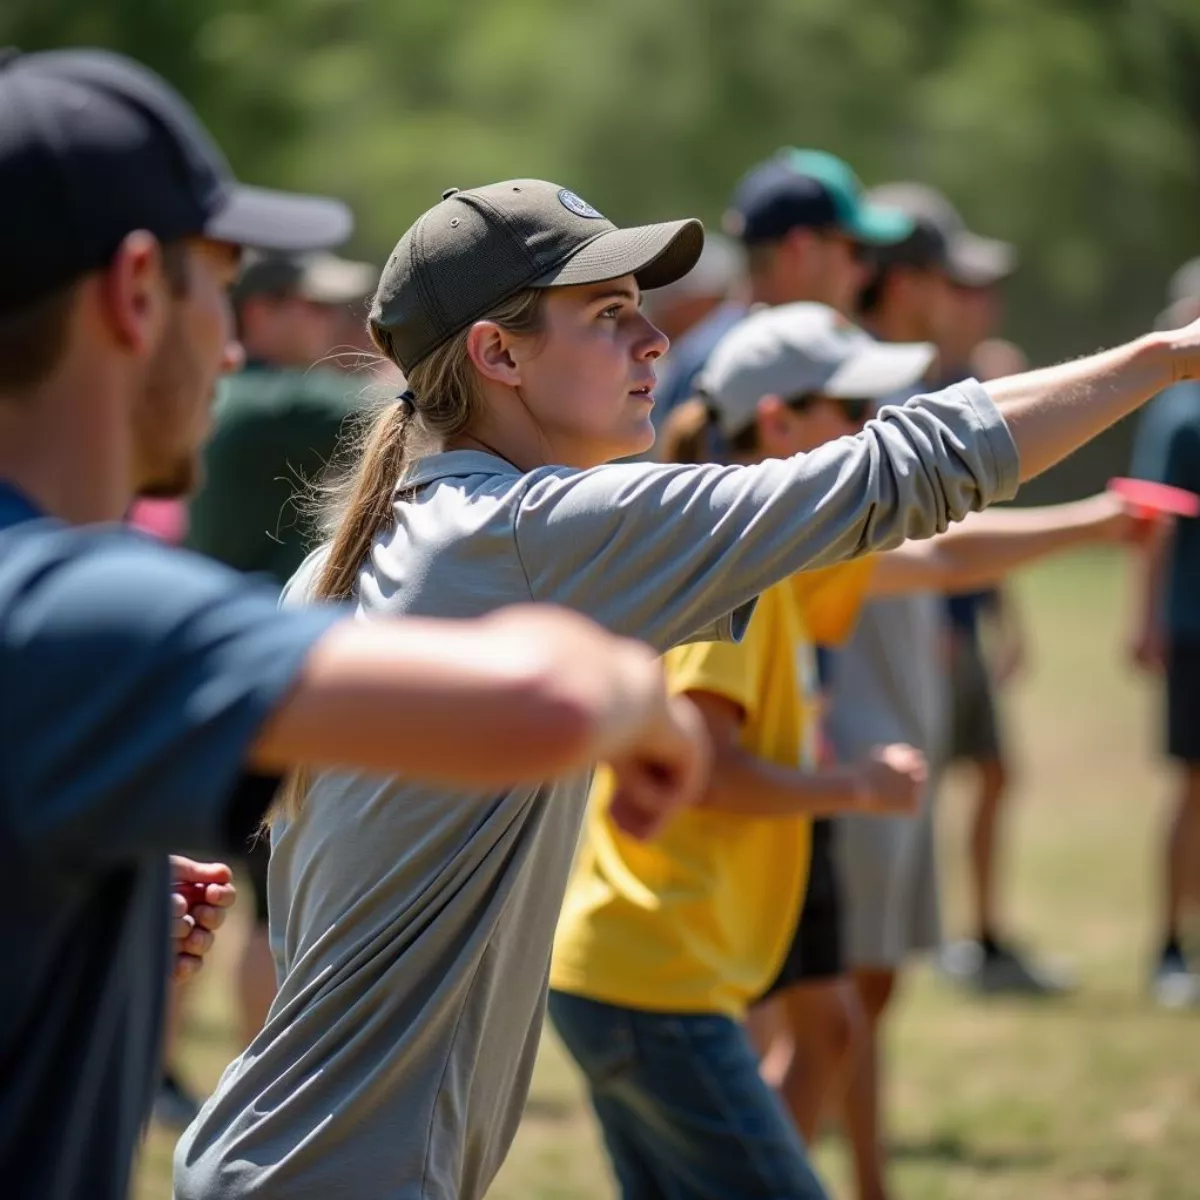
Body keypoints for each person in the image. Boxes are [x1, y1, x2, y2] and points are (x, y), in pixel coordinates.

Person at [176, 170, 1200, 1200]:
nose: (655, 342)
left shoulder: (367, 551)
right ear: (497, 354)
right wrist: (1167, 358)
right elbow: (901, 469)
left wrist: (643, 727)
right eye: (610, 316)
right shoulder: (527, 534)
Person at [0, 50, 709, 1200]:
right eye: (215, 288)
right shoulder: (68, 611)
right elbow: (544, 705)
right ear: (137, 291)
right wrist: (635, 702)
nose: (228, 348)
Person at [547, 301, 1137, 1199]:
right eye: (855, 415)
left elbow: (938, 557)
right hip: (653, 982)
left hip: (644, 978)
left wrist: (1093, 524)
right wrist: (851, 786)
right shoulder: (729, 581)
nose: (873, 435)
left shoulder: (775, 554)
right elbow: (701, 777)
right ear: (778, 425)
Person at [188, 249, 381, 1054]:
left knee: (205, 894)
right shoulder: (273, 401)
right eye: (309, 308)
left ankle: (178, 1076)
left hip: (219, 677)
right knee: (263, 913)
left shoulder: (238, 395)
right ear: (258, 313)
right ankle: (257, 1079)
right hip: (257, 682)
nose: (329, 326)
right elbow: (401, 403)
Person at [651, 147, 913, 430]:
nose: (866, 271)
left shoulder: (714, 351)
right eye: (856, 250)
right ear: (802, 250)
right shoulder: (722, 365)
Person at [1129, 268, 1200, 1008]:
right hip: (1193, 625)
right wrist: (1143, 620)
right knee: (1192, 786)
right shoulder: (1179, 412)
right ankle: (1170, 945)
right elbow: (1153, 520)